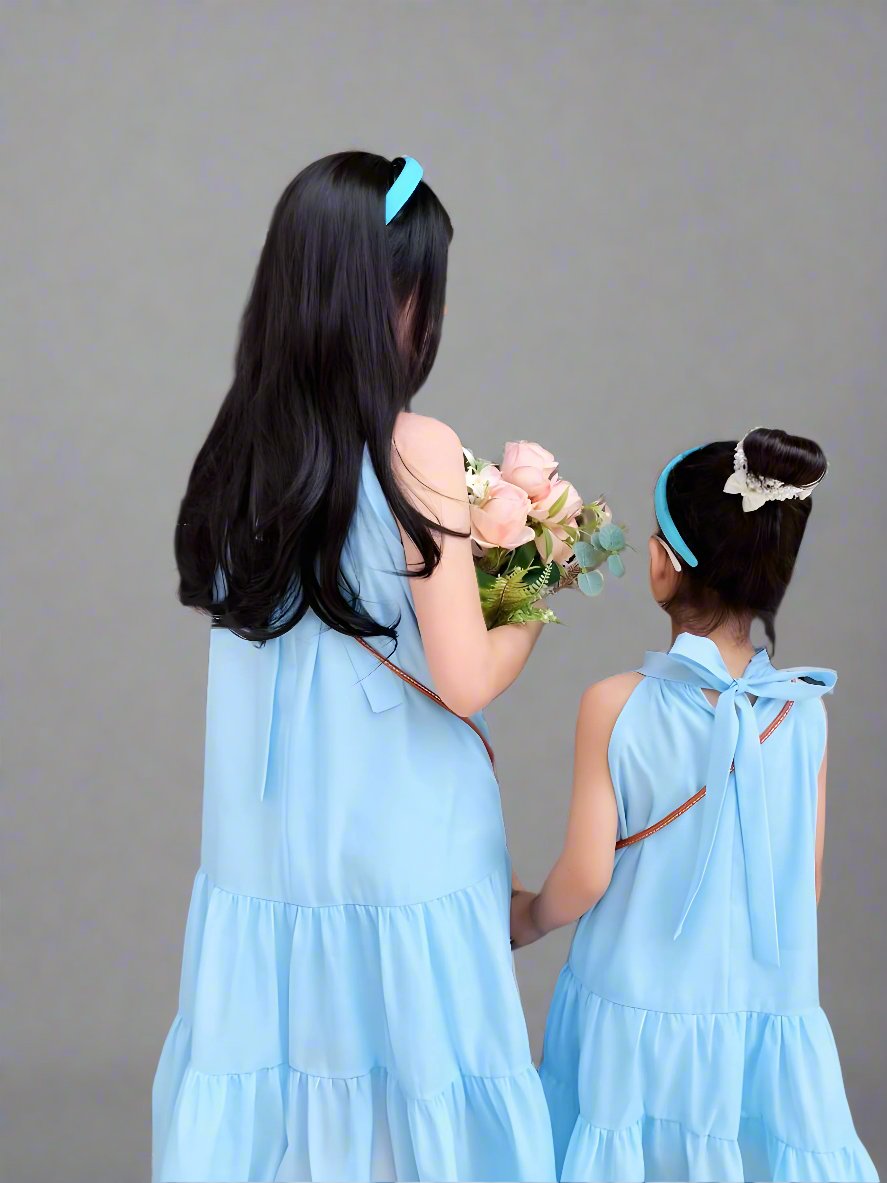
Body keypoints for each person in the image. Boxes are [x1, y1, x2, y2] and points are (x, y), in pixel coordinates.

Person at [153, 151, 555, 1183]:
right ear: (390, 300)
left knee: (290, 1112)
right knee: (413, 1106)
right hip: (402, 854)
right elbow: (462, 677)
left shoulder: (239, 450)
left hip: (268, 858)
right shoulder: (417, 446)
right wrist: (537, 593)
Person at [511, 428, 877, 1182]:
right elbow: (798, 885)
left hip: (633, 1009)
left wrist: (523, 916)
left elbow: (584, 878)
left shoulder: (615, 705)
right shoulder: (804, 711)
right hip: (756, 1012)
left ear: (660, 565)